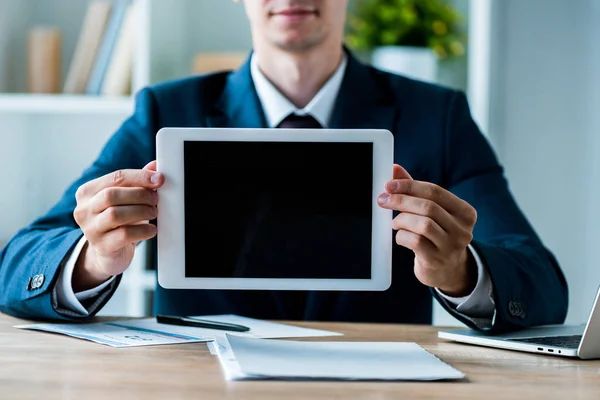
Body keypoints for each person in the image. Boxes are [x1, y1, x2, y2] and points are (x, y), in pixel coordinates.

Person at [0, 0, 567, 331]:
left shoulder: (435, 115)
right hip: (200, 386)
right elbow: (17, 264)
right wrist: (95, 257)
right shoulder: (167, 111)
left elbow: (540, 282)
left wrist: (460, 271)